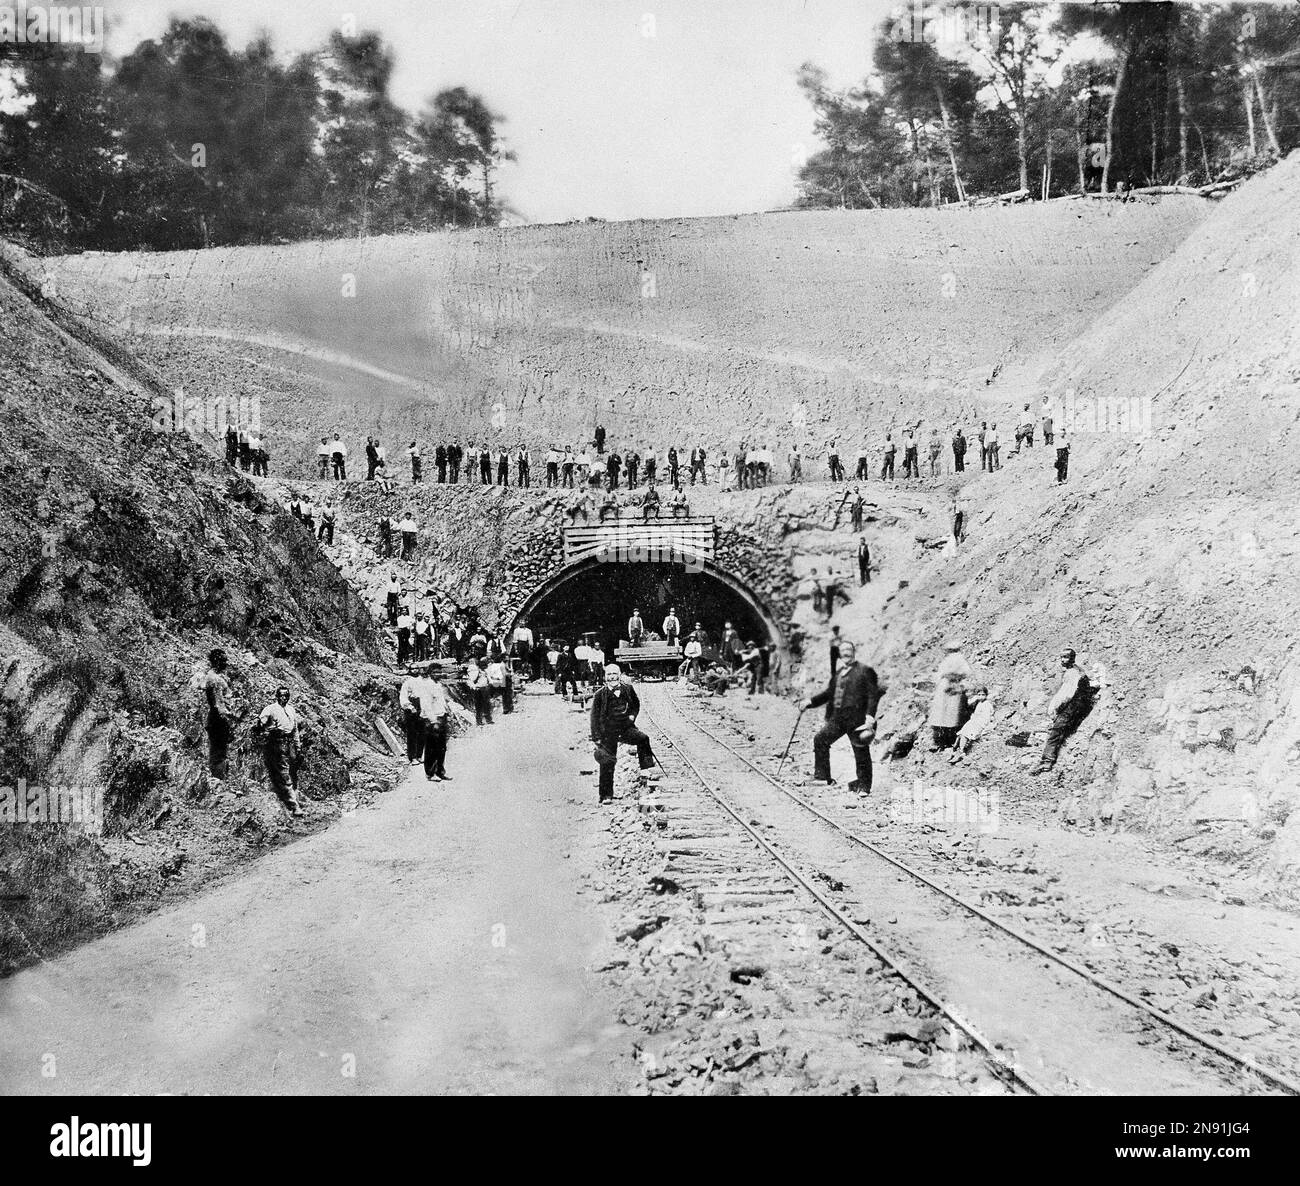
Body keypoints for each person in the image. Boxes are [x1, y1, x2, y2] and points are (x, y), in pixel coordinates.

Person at [803, 640, 884, 794]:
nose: (846, 652)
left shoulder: (865, 670)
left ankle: (864, 786)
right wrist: (810, 702)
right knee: (820, 740)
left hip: (858, 718)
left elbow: (873, 695)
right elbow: (828, 694)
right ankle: (822, 777)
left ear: (854, 651)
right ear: (839, 654)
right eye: (843, 650)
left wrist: (870, 717)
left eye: (848, 649)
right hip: (838, 718)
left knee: (861, 751)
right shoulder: (839, 673)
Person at [590, 663, 657, 803]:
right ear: (605, 677)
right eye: (609, 674)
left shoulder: (627, 689)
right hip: (608, 732)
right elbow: (594, 717)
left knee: (643, 739)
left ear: (620, 675)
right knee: (607, 762)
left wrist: (632, 716)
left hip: (625, 728)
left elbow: (636, 704)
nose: (612, 677)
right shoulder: (599, 695)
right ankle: (606, 795)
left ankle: (647, 770)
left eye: (615, 673)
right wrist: (596, 737)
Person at [1030, 649, 1093, 774]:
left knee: (1056, 731)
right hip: (1079, 704)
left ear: (1072, 658)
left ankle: (1047, 762)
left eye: (1066, 657)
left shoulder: (1072, 673)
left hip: (1074, 705)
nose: (1063, 660)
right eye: (1062, 657)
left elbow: (1067, 695)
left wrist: (1056, 708)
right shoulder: (1077, 670)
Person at [257, 686, 304, 815]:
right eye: (281, 695)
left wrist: (298, 746)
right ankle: (294, 806)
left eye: (286, 695)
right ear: (277, 696)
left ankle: (296, 798)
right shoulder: (270, 709)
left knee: (293, 771)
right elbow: (261, 723)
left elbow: (295, 731)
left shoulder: (291, 710)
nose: (284, 698)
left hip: (290, 744)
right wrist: (270, 729)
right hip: (278, 743)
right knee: (284, 774)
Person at [928, 641, 973, 750]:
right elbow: (966, 672)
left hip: (950, 687)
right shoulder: (957, 659)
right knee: (947, 714)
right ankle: (944, 741)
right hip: (948, 687)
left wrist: (951, 676)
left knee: (948, 714)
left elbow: (965, 672)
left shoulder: (955, 659)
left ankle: (944, 741)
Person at [412, 666, 451, 781]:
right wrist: (433, 721)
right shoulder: (426, 686)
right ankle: (430, 773)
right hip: (432, 719)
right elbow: (426, 705)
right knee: (431, 747)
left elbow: (441, 701)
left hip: (441, 716)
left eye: (439, 672)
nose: (438, 674)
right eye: (435, 672)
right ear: (430, 673)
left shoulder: (438, 685)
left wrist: (446, 711)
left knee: (442, 747)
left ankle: (440, 771)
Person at [203, 649, 234, 780]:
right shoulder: (215, 680)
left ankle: (218, 780)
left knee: (218, 751)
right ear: (217, 661)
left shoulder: (212, 677)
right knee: (219, 752)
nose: (226, 663)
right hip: (218, 719)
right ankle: (218, 781)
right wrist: (227, 720)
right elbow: (218, 705)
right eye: (223, 660)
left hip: (215, 718)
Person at [398, 664, 426, 765]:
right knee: (412, 733)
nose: (414, 671)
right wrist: (410, 707)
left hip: (421, 707)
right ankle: (412, 757)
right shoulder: (407, 683)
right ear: (409, 671)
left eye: (416, 669)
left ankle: (419, 755)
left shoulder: (422, 682)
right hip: (411, 708)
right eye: (412, 669)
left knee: (422, 733)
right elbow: (403, 697)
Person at [466, 657, 493, 725]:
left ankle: (488, 720)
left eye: (485, 666)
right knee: (479, 706)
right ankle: (479, 721)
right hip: (478, 689)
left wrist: (489, 684)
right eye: (483, 666)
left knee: (487, 705)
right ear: (479, 667)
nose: (484, 667)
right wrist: (474, 687)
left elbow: (490, 680)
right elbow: (470, 681)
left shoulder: (485, 672)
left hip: (485, 689)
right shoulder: (476, 672)